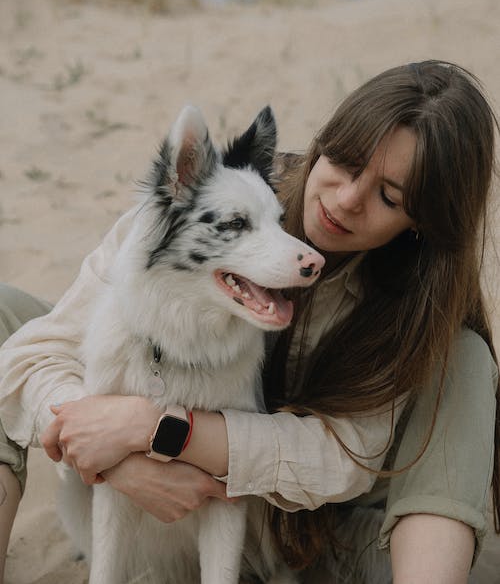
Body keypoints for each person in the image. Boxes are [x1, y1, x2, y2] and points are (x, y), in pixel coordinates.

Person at [0, 60, 498, 583]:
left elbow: (339, 458)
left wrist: (157, 430)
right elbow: (35, 357)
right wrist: (112, 450)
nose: (347, 200)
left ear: (420, 224)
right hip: (165, 527)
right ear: (326, 140)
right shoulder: (214, 199)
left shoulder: (408, 306)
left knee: (463, 355)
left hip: (313, 542)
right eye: (347, 162)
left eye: (388, 197)